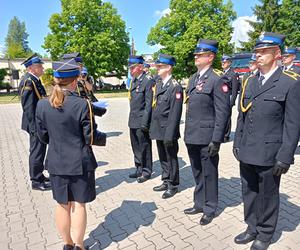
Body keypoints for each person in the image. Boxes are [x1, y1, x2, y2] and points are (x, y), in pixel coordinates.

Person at [233, 32, 300, 250]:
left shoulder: (289, 83)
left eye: (264, 52)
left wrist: (285, 156)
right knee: (249, 191)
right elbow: (242, 114)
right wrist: (237, 141)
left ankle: (265, 233)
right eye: (257, 51)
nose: (258, 55)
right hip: (247, 149)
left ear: (277, 54)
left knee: (268, 195)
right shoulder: (250, 81)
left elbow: (293, 124)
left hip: (271, 152)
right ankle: (251, 227)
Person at [35, 58, 106, 250]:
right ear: (75, 81)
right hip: (79, 162)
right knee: (79, 205)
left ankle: (67, 244)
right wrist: (104, 138)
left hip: (57, 161)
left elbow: (42, 136)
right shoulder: (83, 104)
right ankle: (80, 245)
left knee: (62, 205)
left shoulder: (42, 105)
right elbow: (90, 137)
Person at [183, 39, 231, 225]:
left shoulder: (217, 79)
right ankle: (199, 203)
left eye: (200, 54)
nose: (196, 56)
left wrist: (217, 140)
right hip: (192, 135)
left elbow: (222, 112)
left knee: (209, 173)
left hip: (207, 137)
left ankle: (210, 208)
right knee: (197, 171)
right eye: (196, 54)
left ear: (210, 57)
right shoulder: (194, 78)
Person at [150, 54, 183, 199]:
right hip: (159, 127)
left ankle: (173, 184)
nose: (157, 68)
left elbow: (175, 114)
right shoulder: (160, 84)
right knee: (162, 156)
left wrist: (170, 134)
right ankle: (165, 179)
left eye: (160, 66)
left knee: (171, 157)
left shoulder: (175, 87)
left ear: (168, 68)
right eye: (157, 66)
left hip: (168, 130)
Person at [19, 53, 51, 191]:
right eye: (40, 66)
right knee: (36, 151)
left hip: (39, 122)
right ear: (32, 68)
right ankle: (36, 181)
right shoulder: (29, 81)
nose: (42, 68)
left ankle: (40, 175)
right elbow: (28, 107)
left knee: (40, 150)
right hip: (35, 124)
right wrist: (34, 127)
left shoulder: (35, 80)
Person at [127, 55, 154, 183]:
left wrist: (145, 122)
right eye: (130, 68)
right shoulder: (134, 81)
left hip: (142, 120)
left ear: (140, 67)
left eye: (132, 68)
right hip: (133, 119)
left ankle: (146, 171)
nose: (130, 71)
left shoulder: (147, 80)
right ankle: (138, 168)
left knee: (144, 146)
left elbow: (149, 104)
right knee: (135, 146)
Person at [63, 52, 106, 117]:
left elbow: (90, 88)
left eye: (81, 66)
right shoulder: (70, 78)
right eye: (79, 66)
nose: (81, 67)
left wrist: (84, 80)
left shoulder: (87, 78)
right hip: (76, 104)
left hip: (86, 102)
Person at [221, 55, 239, 142]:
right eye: (222, 62)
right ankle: (221, 133)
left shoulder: (233, 74)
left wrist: (232, 102)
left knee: (227, 117)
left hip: (228, 98)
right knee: (221, 116)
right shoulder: (222, 73)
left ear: (229, 63)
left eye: (224, 62)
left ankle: (226, 135)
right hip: (221, 99)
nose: (222, 64)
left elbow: (235, 89)